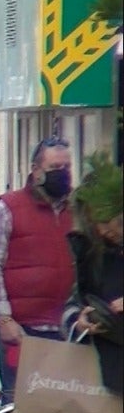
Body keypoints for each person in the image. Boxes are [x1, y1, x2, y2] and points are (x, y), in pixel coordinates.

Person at [0, 136, 76, 404]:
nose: (63, 174)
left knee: (52, 409)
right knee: (17, 409)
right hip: (20, 328)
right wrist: (4, 318)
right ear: (36, 170)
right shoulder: (8, 207)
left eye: (66, 167)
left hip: (62, 327)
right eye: (55, 168)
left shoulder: (76, 211)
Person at [64, 153, 123, 397]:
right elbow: (72, 299)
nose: (105, 230)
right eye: (97, 222)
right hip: (107, 370)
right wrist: (79, 319)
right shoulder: (87, 251)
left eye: (113, 222)